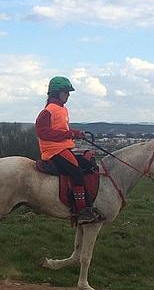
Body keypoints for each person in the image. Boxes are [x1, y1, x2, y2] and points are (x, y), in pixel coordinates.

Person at [35, 76, 99, 224]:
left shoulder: (62, 109)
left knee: (86, 163)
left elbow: (62, 130)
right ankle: (82, 209)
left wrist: (76, 134)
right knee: (76, 172)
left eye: (68, 92)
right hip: (53, 150)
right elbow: (42, 132)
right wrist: (69, 134)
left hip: (63, 148)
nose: (68, 95)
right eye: (66, 92)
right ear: (56, 92)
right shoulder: (48, 111)